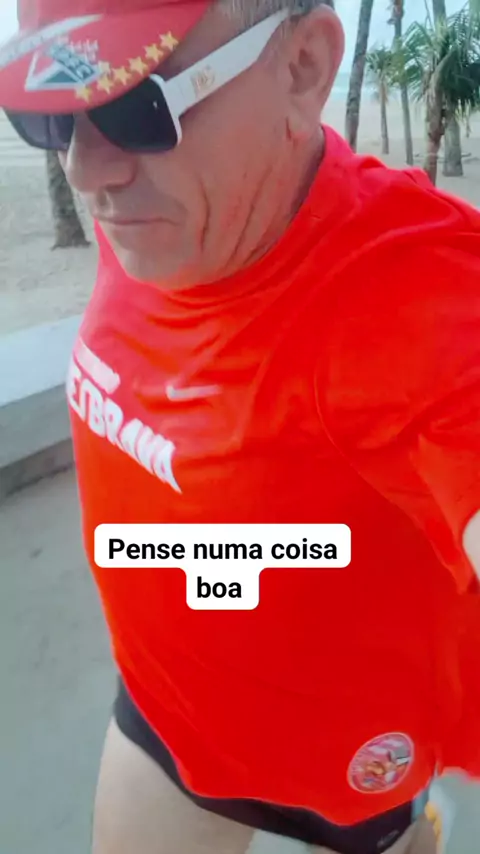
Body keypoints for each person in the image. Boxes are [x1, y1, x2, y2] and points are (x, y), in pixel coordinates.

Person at [1, 0, 480, 852]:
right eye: (54, 116)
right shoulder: (164, 211)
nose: (85, 169)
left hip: (358, 753)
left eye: (138, 106)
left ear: (301, 67)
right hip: (168, 714)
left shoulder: (417, 301)